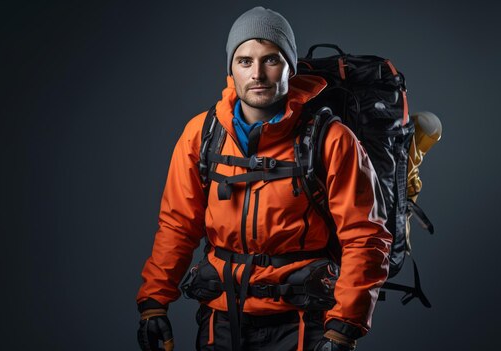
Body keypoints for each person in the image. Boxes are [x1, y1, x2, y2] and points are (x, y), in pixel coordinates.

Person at [136, 6, 392, 351]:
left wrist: (343, 328)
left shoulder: (330, 139)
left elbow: (365, 235)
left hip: (303, 325)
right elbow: (177, 225)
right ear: (231, 68)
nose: (257, 73)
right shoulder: (201, 134)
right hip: (221, 322)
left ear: (290, 67)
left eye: (271, 60)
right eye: (244, 61)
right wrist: (154, 301)